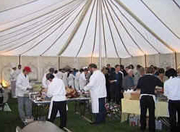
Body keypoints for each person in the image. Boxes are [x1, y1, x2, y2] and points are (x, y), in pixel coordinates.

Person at [136, 67, 163, 132]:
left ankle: (142, 127)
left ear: (146, 71)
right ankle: (151, 128)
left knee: (143, 113)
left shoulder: (141, 78)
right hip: (151, 97)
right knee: (151, 114)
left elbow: (138, 87)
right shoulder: (155, 78)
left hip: (143, 96)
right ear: (153, 72)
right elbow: (161, 85)